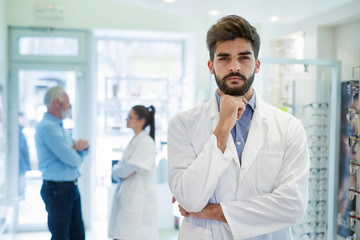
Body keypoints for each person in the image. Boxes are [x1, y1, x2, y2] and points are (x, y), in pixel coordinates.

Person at [167, 15, 310, 239]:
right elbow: (189, 199)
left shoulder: (289, 127)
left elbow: (293, 206)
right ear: (211, 66)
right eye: (224, 58)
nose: (234, 67)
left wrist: (213, 211)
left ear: (257, 65)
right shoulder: (183, 125)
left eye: (244, 58)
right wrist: (222, 129)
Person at [35, 86, 89, 240]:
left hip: (69, 188)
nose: (70, 106)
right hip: (58, 190)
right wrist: (79, 152)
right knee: (61, 236)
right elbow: (73, 159)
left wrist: (83, 148)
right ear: (57, 102)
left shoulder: (59, 127)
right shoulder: (48, 128)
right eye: (68, 102)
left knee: (77, 235)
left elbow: (78, 150)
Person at [108, 105, 157, 240]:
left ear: (141, 121)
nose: (126, 119)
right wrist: (119, 170)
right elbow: (123, 170)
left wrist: (118, 171)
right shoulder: (135, 141)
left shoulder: (146, 143)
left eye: (130, 117)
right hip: (128, 199)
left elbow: (127, 169)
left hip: (137, 205)